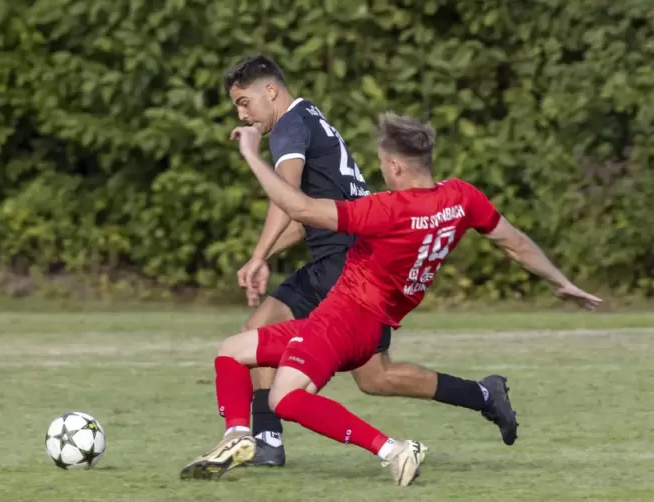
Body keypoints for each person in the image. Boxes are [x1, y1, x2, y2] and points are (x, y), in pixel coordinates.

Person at [179, 113, 602, 486]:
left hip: (344, 320)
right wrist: (561, 281)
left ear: (397, 166)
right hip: (365, 321)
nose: (381, 172)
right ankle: (238, 439)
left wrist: (253, 154)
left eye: (382, 164)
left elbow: (301, 209)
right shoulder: (461, 198)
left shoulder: (387, 210)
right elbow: (516, 243)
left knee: (284, 399)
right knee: (233, 351)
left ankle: (392, 450)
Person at [223, 54, 508, 469]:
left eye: (244, 101)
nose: (242, 113)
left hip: (343, 264)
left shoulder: (288, 127)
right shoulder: (311, 119)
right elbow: (304, 222)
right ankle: (483, 395)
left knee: (256, 332)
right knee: (377, 377)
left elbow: (287, 198)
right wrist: (263, 256)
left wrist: (257, 255)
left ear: (271, 91)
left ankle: (266, 440)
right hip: (352, 255)